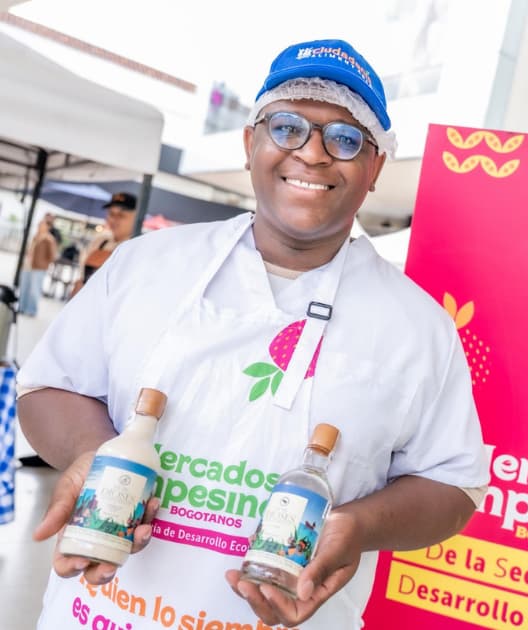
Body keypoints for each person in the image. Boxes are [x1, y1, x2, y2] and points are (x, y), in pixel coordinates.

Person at [19, 38, 488, 629]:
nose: (312, 154)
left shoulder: (418, 326)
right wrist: (94, 457)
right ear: (250, 144)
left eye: (345, 139)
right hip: (101, 614)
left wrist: (357, 526)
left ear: (373, 170)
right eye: (287, 127)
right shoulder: (147, 264)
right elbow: (49, 387)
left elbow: (453, 483)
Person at [72, 192, 138, 298]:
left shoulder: (136, 247)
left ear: (136, 217)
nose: (114, 220)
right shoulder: (101, 240)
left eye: (121, 215)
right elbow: (83, 276)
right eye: (111, 214)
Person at [18, 215, 58, 317]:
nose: (39, 226)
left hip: (39, 268)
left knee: (34, 290)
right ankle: (21, 308)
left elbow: (52, 256)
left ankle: (31, 310)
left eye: (42, 225)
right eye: (39, 225)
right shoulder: (35, 237)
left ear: (47, 227)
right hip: (28, 266)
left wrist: (43, 264)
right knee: (24, 288)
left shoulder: (49, 239)